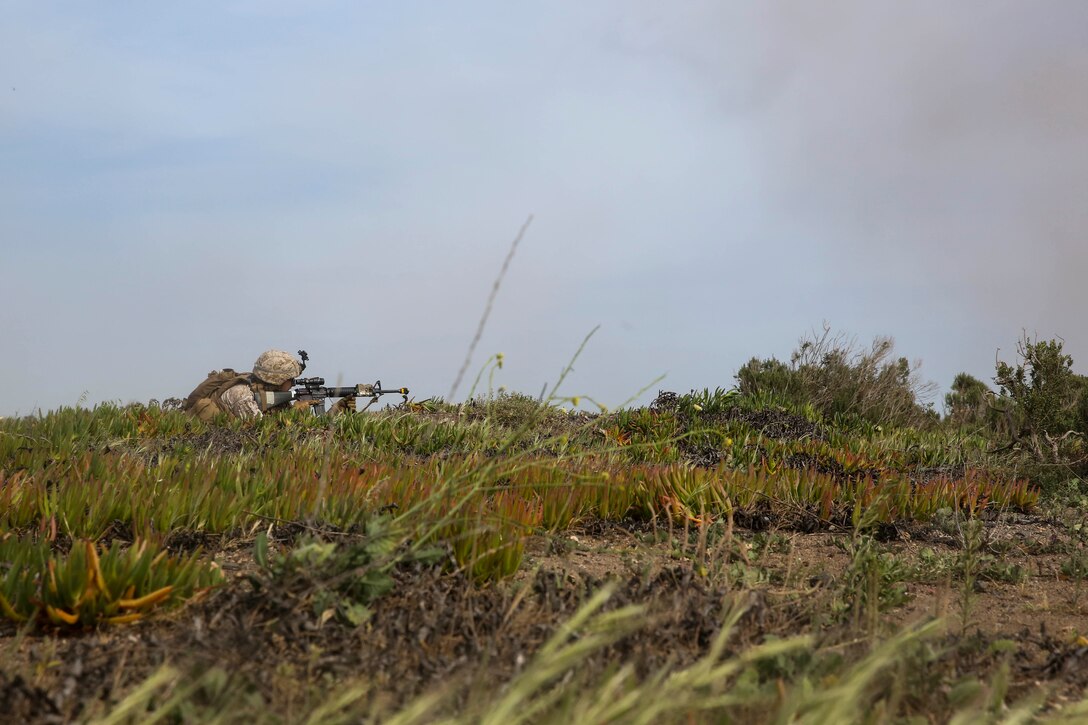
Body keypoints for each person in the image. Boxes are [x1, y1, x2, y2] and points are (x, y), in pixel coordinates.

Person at [182, 349, 304, 421]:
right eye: (291, 379)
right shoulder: (242, 394)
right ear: (278, 379)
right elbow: (260, 429)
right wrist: (297, 413)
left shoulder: (262, 389)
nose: (293, 384)